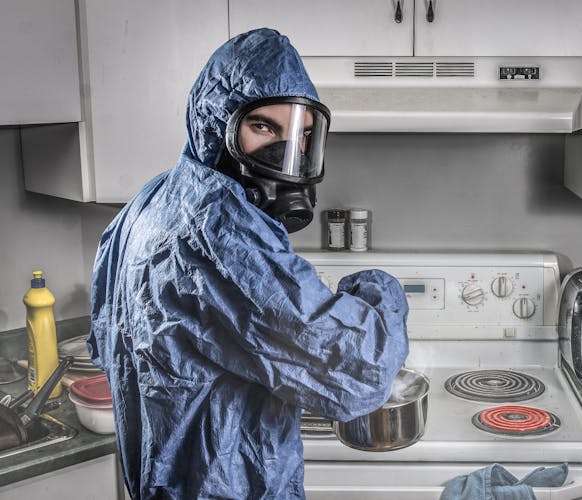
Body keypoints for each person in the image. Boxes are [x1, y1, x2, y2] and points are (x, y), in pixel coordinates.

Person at [87, 28, 409, 499]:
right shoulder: (223, 232)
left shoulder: (153, 198)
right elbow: (361, 372)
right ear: (216, 124)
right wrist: (377, 288)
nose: (286, 155)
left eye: (300, 135)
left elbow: (103, 341)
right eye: (263, 127)